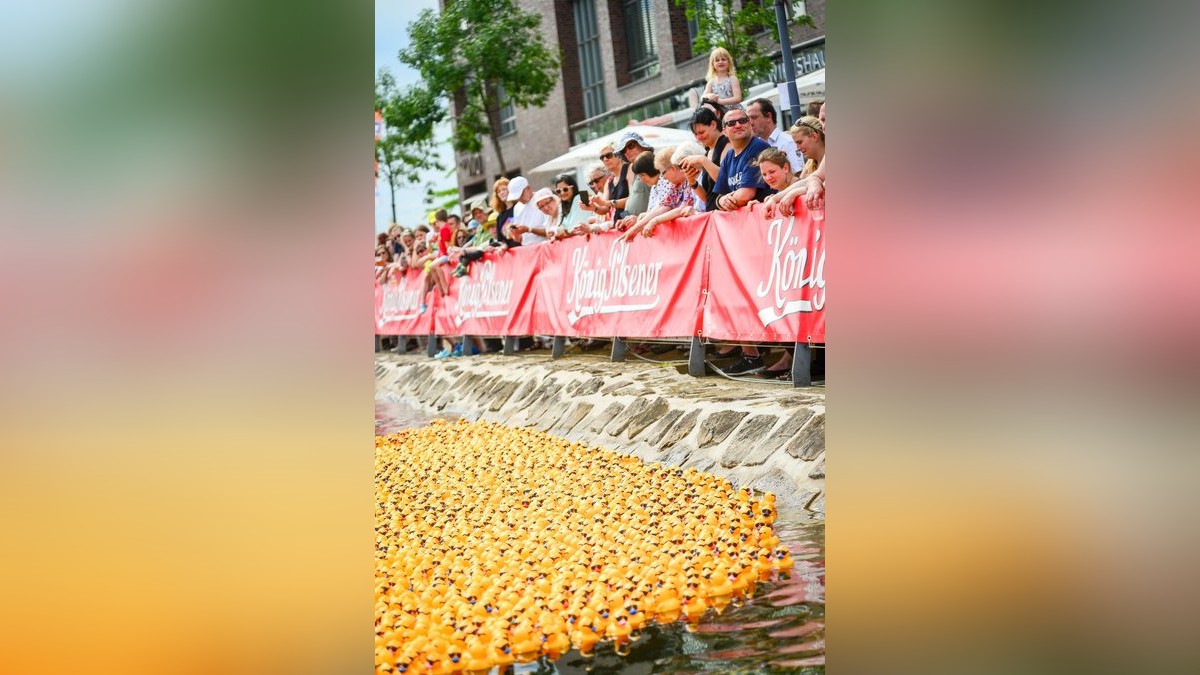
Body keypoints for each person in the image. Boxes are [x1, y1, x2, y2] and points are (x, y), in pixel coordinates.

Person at [621, 146, 700, 241]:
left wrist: (654, 221)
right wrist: (636, 228)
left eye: (663, 173)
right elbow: (664, 206)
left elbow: (680, 209)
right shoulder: (675, 186)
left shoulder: (688, 181)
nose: (663, 177)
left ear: (673, 168)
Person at [711, 105, 771, 212]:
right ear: (724, 131)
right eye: (731, 123)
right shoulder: (728, 156)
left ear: (749, 124)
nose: (738, 125)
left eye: (742, 121)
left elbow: (746, 194)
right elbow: (718, 197)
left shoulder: (758, 146)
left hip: (764, 218)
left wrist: (725, 201)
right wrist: (721, 201)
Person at [764, 116, 825, 218]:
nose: (797, 148)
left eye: (800, 142)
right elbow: (804, 183)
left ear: (814, 136)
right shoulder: (809, 164)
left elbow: (816, 185)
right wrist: (775, 198)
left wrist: (795, 193)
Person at [678, 106, 729, 212]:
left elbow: (725, 181)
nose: (699, 137)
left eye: (701, 132)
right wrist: (692, 182)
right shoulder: (708, 153)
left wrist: (702, 160)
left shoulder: (727, 144)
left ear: (713, 125)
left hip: (726, 212)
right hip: (714, 213)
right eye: (696, 134)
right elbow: (708, 198)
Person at [747, 98, 803, 174]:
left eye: (754, 117)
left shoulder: (788, 142)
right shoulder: (754, 144)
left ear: (768, 116)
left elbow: (798, 174)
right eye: (748, 119)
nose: (750, 123)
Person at [504, 175, 552, 246]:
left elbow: (551, 231)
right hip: (528, 250)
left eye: (521, 195)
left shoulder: (542, 199)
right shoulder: (517, 207)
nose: (519, 199)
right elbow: (520, 238)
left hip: (545, 247)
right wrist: (515, 233)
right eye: (517, 197)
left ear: (528, 188)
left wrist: (529, 230)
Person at [615, 131, 653, 216]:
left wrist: (641, 218)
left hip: (647, 224)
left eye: (631, 146)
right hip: (638, 223)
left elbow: (662, 199)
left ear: (642, 146)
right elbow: (633, 198)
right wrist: (625, 218)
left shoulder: (652, 165)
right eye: (624, 150)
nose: (627, 151)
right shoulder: (637, 171)